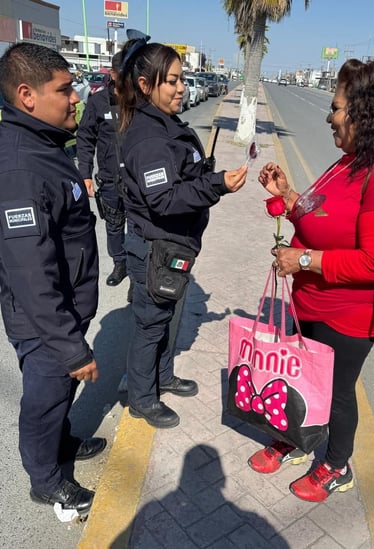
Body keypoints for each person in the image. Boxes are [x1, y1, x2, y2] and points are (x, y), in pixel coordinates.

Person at [252, 57, 374, 502]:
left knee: (337, 393)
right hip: (311, 304)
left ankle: (337, 465)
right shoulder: (347, 163)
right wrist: (287, 195)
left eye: (337, 107)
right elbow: (323, 217)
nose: (329, 116)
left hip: (349, 317)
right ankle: (296, 441)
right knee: (300, 378)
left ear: (365, 113)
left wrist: (302, 260)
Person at [116, 34, 248, 429]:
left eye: (180, 79)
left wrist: (206, 174)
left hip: (174, 245)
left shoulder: (165, 124)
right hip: (155, 246)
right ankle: (141, 398)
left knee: (165, 315)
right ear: (146, 85)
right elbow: (165, 200)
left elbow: (182, 176)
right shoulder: (149, 137)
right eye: (170, 81)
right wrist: (217, 184)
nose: (180, 88)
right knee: (150, 322)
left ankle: (162, 376)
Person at [0, 43, 106, 515]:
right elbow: (30, 272)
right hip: (46, 324)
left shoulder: (43, 145)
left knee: (60, 394)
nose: (75, 99)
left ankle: (60, 443)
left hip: (64, 310)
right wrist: (70, 347)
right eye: (64, 91)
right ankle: (45, 480)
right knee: (45, 399)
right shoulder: (20, 165)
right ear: (27, 95)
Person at [77, 51, 133, 298]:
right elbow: (85, 138)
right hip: (109, 181)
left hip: (135, 181)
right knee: (113, 225)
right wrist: (85, 173)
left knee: (138, 229)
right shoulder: (98, 102)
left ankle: (138, 276)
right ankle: (120, 264)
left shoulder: (140, 102)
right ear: (113, 75)